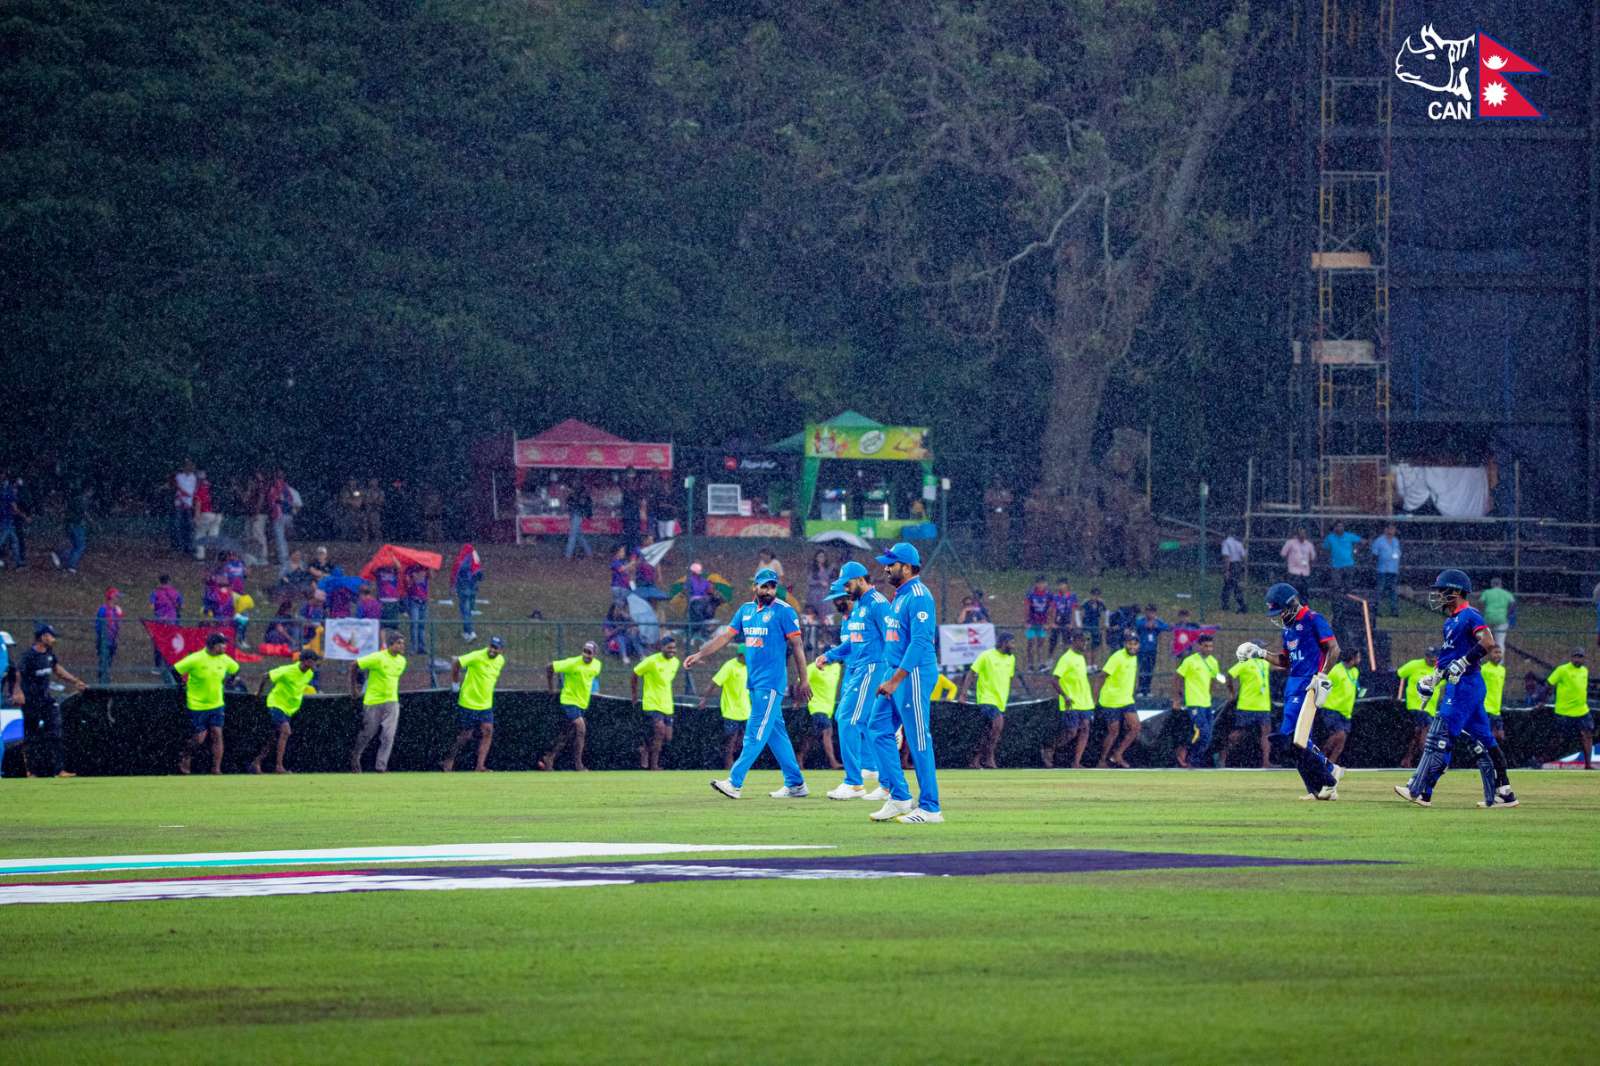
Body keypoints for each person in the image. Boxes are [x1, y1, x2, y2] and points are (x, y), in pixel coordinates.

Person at [1393, 570, 1518, 808]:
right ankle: (1504, 792)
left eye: (1443, 591)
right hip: (1460, 686)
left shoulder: (1470, 615)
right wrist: (1433, 679)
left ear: (1456, 591)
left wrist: (1465, 661)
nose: (1439, 595)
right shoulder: (1450, 621)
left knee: (1440, 735)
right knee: (1485, 741)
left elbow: (1488, 641)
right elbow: (1446, 660)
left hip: (1466, 685)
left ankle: (1419, 789)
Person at [687, 567, 811, 801]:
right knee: (776, 734)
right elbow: (725, 637)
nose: (768, 590)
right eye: (764, 586)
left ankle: (735, 782)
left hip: (772, 683)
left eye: (772, 586)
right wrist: (700, 654)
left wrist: (803, 680)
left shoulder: (784, 611)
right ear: (754, 586)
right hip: (754, 683)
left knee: (754, 732)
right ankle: (796, 784)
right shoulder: (745, 611)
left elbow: (797, 647)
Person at [1234, 583, 1345, 801]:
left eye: (1281, 611)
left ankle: (1329, 775)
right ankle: (1319, 788)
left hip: (1309, 683)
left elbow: (1334, 649)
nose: (1279, 616)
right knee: (1297, 740)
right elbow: (1285, 661)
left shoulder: (1313, 619)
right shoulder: (1288, 629)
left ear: (1292, 604)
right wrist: (1260, 652)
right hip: (1292, 684)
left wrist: (1322, 676)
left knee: (1294, 737)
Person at [862, 543, 942, 822]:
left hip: (914, 674)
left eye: (891, 564)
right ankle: (899, 797)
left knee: (919, 737)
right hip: (896, 673)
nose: (885, 568)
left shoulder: (919, 596)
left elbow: (921, 641)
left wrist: (896, 680)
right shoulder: (899, 596)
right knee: (877, 729)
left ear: (907, 567)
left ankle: (931, 807)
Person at [812, 562, 891, 800]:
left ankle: (854, 782)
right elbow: (853, 643)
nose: (845, 590)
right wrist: (830, 655)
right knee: (868, 724)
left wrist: (890, 674)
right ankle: (887, 785)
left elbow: (893, 638)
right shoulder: (859, 607)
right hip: (859, 669)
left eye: (847, 584)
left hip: (872, 668)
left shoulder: (877, 604)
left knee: (847, 719)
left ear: (859, 579)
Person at [13, 625, 87, 777]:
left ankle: (58, 770)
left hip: (46, 700)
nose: (53, 639)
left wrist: (75, 681)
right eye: (51, 636)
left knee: (55, 732)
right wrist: (18, 692)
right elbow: (18, 674)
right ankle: (30, 771)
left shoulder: (49, 654)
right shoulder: (28, 656)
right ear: (42, 637)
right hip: (31, 701)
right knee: (30, 735)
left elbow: (57, 669)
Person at [174, 632, 239, 775]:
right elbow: (176, 669)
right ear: (214, 646)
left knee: (217, 733)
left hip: (217, 704)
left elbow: (236, 668)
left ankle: (216, 769)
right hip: (197, 705)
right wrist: (182, 685)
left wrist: (230, 681)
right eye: (222, 644)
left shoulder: (224, 659)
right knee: (199, 738)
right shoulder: (196, 658)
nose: (225, 646)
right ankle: (185, 756)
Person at [441, 637, 507, 772]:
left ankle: (480, 766)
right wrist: (455, 684)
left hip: (486, 704)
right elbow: (456, 662)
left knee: (488, 731)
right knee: (465, 735)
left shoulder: (500, 661)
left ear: (501, 650)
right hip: (468, 701)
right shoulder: (477, 655)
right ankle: (449, 759)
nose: (493, 650)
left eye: (496, 648)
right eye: (491, 646)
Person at [250, 651, 319, 774]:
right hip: (276, 704)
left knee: (274, 738)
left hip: (289, 709)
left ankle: (257, 762)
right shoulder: (287, 670)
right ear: (304, 661)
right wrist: (259, 693)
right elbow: (266, 676)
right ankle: (279, 767)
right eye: (312, 661)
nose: (315, 664)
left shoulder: (309, 674)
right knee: (286, 731)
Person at [349, 631, 408, 773]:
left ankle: (381, 767)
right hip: (373, 701)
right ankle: (355, 756)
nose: (402, 646)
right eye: (399, 643)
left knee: (388, 735)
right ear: (390, 644)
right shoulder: (378, 657)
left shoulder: (402, 661)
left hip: (392, 702)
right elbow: (354, 665)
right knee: (368, 733)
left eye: (403, 643)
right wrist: (354, 688)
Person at [541, 641, 603, 771]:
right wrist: (551, 688)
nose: (586, 654)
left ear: (595, 654)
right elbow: (549, 667)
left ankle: (549, 757)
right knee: (581, 728)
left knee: (567, 734)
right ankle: (578, 765)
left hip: (582, 704)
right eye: (584, 651)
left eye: (589, 652)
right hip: (569, 701)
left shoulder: (597, 665)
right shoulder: (572, 662)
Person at [958, 631, 1017, 770]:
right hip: (986, 698)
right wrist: (963, 694)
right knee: (998, 725)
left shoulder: (1011, 659)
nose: (1014, 646)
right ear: (1003, 643)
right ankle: (989, 758)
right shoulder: (986, 655)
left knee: (988, 732)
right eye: (1012, 643)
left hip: (1000, 700)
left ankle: (975, 759)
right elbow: (972, 672)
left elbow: (1009, 678)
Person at [1042, 630, 1094, 768]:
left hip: (1085, 701)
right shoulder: (1066, 658)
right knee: (1071, 732)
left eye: (1087, 641)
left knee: (1085, 729)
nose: (1085, 644)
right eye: (1083, 641)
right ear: (1075, 641)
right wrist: (1065, 696)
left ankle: (1076, 762)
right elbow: (1054, 680)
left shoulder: (1081, 658)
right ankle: (1049, 748)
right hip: (1071, 701)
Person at [1172, 633, 1225, 768]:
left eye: (1211, 646)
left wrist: (1210, 694)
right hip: (1194, 702)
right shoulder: (1190, 661)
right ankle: (1190, 758)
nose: (1209, 649)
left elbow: (1213, 679)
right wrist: (1177, 698)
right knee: (1203, 732)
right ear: (1199, 646)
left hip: (1207, 703)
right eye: (1206, 646)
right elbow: (1177, 677)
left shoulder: (1213, 661)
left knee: (1208, 735)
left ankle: (1190, 756)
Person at [631, 635, 682, 771]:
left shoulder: (676, 662)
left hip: (667, 704)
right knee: (660, 731)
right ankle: (654, 765)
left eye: (674, 648)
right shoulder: (651, 661)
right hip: (652, 702)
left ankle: (645, 749)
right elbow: (635, 673)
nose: (672, 650)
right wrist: (635, 694)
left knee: (668, 737)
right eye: (669, 648)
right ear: (661, 647)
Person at [698, 645, 750, 771]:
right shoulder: (730, 666)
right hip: (731, 710)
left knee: (742, 741)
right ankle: (728, 766)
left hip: (746, 711)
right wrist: (704, 699)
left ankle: (731, 759)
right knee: (731, 741)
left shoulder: (750, 667)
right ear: (740, 655)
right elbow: (714, 682)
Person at [1094, 631, 1142, 768]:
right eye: (1129, 643)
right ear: (1124, 644)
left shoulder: (1134, 657)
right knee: (1113, 731)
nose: (1132, 646)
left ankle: (1117, 754)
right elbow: (1101, 676)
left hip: (1126, 699)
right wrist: (1095, 698)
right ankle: (1102, 760)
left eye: (1135, 643)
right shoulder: (1117, 657)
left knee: (1136, 727)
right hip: (1111, 699)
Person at [1222, 646, 1274, 768]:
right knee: (1239, 733)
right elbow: (1229, 675)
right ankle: (1223, 756)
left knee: (1266, 733)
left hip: (1264, 705)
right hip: (1247, 704)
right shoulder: (1244, 663)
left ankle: (1266, 762)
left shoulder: (1264, 663)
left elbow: (1278, 666)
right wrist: (1232, 693)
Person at [1542, 648, 1591, 770]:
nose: (1578, 659)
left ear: (1584, 658)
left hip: (1582, 710)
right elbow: (1549, 683)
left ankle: (1588, 765)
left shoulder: (1584, 671)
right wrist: (1546, 699)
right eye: (1576, 656)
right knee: (1558, 738)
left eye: (1580, 657)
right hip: (1564, 711)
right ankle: (1542, 760)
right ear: (1571, 657)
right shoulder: (1562, 670)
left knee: (1587, 735)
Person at [1394, 648, 1442, 769]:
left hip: (1430, 708)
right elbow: (1399, 674)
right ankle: (1427, 761)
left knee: (1418, 734)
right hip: (1416, 706)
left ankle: (1407, 760)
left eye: (1434, 656)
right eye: (1429, 656)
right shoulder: (1414, 665)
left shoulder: (1440, 670)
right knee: (1426, 733)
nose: (1431, 659)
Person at [797, 655, 842, 770]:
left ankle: (800, 756)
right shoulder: (812, 668)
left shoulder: (836, 667)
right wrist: (797, 700)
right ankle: (833, 763)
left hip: (829, 709)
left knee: (813, 735)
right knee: (828, 731)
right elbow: (800, 683)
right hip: (816, 706)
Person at [1320, 648, 1360, 764]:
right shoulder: (1335, 671)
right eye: (1358, 657)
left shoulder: (1355, 672)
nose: (1359, 660)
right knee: (1340, 734)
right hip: (1332, 708)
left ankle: (1330, 765)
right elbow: (1323, 685)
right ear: (1352, 659)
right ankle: (1321, 756)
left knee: (1342, 741)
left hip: (1346, 711)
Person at [52, 484, 91, 573]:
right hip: (76, 525)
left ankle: (59, 555)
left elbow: (65, 512)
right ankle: (71, 565)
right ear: (88, 490)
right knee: (80, 546)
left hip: (70, 525)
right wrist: (91, 521)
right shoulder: (82, 500)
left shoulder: (74, 500)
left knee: (74, 545)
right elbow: (84, 513)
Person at [1133, 603, 1170, 697]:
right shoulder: (1141, 620)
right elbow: (1136, 625)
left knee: (1150, 669)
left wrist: (1156, 626)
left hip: (1152, 649)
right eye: (1148, 612)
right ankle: (1140, 689)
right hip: (1142, 649)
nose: (1150, 614)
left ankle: (1147, 689)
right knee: (1142, 669)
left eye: (1152, 612)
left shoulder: (1157, 621)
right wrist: (1145, 625)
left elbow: (1167, 627)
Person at [1370, 523, 1402, 617]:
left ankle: (1394, 611)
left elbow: (1398, 553)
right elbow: (1374, 554)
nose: (1392, 531)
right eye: (1390, 529)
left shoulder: (1396, 541)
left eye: (1393, 529)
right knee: (1379, 591)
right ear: (1386, 529)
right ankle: (1376, 610)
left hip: (1393, 570)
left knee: (1393, 591)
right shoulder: (1379, 541)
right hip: (1382, 570)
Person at [452, 544, 483, 641]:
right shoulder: (474, 559)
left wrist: (453, 587)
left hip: (463, 589)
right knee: (468, 611)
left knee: (465, 612)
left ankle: (469, 632)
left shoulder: (461, 560)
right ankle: (468, 631)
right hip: (471, 588)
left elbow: (455, 574)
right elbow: (480, 574)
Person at [1323, 521, 1363, 593]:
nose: (1340, 528)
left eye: (1341, 526)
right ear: (1335, 528)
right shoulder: (1330, 537)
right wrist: (1328, 558)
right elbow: (1324, 548)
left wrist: (1356, 550)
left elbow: (1363, 541)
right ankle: (1337, 602)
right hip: (1336, 565)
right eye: (1338, 526)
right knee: (1336, 585)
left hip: (1349, 564)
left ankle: (1348, 601)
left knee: (1348, 586)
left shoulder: (1349, 536)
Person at [1279, 528, 1315, 603]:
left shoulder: (1309, 545)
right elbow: (1283, 554)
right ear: (1297, 534)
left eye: (1304, 533)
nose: (1302, 535)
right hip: (1293, 571)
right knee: (1293, 593)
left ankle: (1304, 611)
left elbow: (1313, 557)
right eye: (1300, 533)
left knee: (1304, 593)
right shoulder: (1290, 543)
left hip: (1305, 572)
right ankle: (1292, 610)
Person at [94, 587, 122, 684]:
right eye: (116, 597)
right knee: (103, 661)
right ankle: (102, 681)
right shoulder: (103, 610)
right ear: (111, 597)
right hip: (104, 640)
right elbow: (98, 625)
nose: (118, 599)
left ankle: (105, 678)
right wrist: (102, 638)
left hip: (113, 640)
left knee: (109, 661)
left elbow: (117, 625)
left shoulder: (116, 610)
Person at [1023, 576, 1051, 672]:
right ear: (1036, 584)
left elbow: (1051, 609)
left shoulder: (1048, 595)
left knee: (1041, 643)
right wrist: (1027, 621)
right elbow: (1027, 607)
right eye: (1039, 583)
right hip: (1032, 622)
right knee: (1030, 643)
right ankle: (1030, 664)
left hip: (1042, 623)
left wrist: (1048, 622)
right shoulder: (1031, 594)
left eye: (1043, 583)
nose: (1041, 585)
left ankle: (1040, 663)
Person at [192, 471, 222, 560]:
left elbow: (198, 502)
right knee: (214, 536)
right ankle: (215, 556)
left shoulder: (201, 488)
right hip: (218, 515)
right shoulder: (216, 487)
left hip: (206, 513)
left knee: (200, 535)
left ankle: (200, 556)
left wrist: (196, 516)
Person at [1481, 644, 1508, 745]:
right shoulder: (1483, 669)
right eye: (1495, 652)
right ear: (1488, 655)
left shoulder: (1502, 670)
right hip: (1486, 708)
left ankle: (1491, 757)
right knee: (1488, 737)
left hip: (1497, 710)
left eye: (1500, 652)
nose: (1498, 655)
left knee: (1500, 736)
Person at [1479, 576, 1515, 650]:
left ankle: (1480, 658)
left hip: (1488, 618)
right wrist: (1508, 614)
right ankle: (1499, 660)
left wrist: (1483, 613)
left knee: (1484, 639)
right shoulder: (1506, 593)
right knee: (1500, 641)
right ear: (1500, 584)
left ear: (1492, 584)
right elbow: (1512, 604)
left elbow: (1481, 603)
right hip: (1502, 619)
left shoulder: (1487, 592)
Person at [1047, 579, 1080, 659]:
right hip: (1058, 620)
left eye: (1062, 585)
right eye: (1059, 585)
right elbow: (1053, 610)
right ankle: (1049, 660)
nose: (1061, 587)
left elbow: (1074, 610)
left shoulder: (1072, 596)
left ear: (1067, 585)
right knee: (1053, 641)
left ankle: (1066, 658)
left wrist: (1072, 623)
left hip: (1067, 620)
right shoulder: (1056, 597)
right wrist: (1052, 622)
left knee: (1067, 641)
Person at [172, 459, 197, 555]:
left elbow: (191, 491)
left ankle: (188, 547)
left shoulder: (193, 477)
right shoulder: (179, 476)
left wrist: (188, 502)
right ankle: (179, 546)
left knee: (189, 526)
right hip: (179, 504)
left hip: (188, 504)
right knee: (177, 525)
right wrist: (183, 500)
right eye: (188, 466)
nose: (190, 467)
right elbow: (178, 489)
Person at [403, 564, 430, 655]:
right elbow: (407, 584)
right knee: (414, 625)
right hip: (414, 600)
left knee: (422, 626)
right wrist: (412, 579)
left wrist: (430, 569)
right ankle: (414, 648)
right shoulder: (410, 569)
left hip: (424, 601)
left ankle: (422, 647)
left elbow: (432, 576)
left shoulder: (425, 568)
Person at [564, 484, 594, 560]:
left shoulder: (576, 496)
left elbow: (569, 504)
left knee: (573, 536)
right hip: (577, 515)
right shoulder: (583, 496)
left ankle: (568, 555)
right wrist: (588, 515)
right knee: (579, 536)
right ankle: (589, 553)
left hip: (576, 515)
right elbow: (588, 506)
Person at [1219, 532, 1247, 613]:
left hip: (1231, 565)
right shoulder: (1239, 543)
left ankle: (1226, 606)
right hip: (1237, 565)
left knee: (1227, 587)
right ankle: (1241, 605)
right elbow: (1243, 556)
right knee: (1236, 586)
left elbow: (1226, 557)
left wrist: (1226, 570)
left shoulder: (1226, 543)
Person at [1080, 588, 1108, 667]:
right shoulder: (1086, 603)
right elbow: (1080, 611)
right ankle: (1087, 664)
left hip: (1096, 626)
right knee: (1087, 645)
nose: (1095, 597)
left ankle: (1094, 664)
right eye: (1093, 595)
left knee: (1095, 646)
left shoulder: (1100, 603)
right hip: (1087, 626)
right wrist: (1080, 624)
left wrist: (1105, 623)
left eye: (1097, 595)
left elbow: (1105, 612)